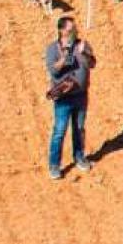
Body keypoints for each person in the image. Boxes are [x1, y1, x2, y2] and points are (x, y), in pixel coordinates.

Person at [43, 16, 96, 179]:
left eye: (74, 29)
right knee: (59, 131)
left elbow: (93, 64)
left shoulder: (82, 45)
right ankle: (54, 165)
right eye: (70, 29)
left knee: (79, 128)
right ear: (61, 31)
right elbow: (54, 71)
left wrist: (85, 53)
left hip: (80, 95)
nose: (74, 32)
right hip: (64, 99)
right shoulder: (53, 49)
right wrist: (64, 57)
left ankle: (79, 157)